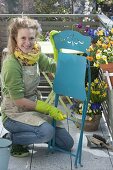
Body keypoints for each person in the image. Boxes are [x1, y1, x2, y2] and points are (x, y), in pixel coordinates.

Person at [1, 16, 74, 157]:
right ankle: (11, 139)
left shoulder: (35, 55)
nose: (27, 43)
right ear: (15, 38)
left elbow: (52, 66)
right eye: (23, 38)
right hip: (14, 114)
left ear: (36, 38)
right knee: (46, 132)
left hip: (32, 109)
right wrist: (47, 108)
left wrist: (67, 60)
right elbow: (19, 100)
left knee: (66, 144)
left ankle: (35, 133)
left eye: (31, 38)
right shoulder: (11, 64)